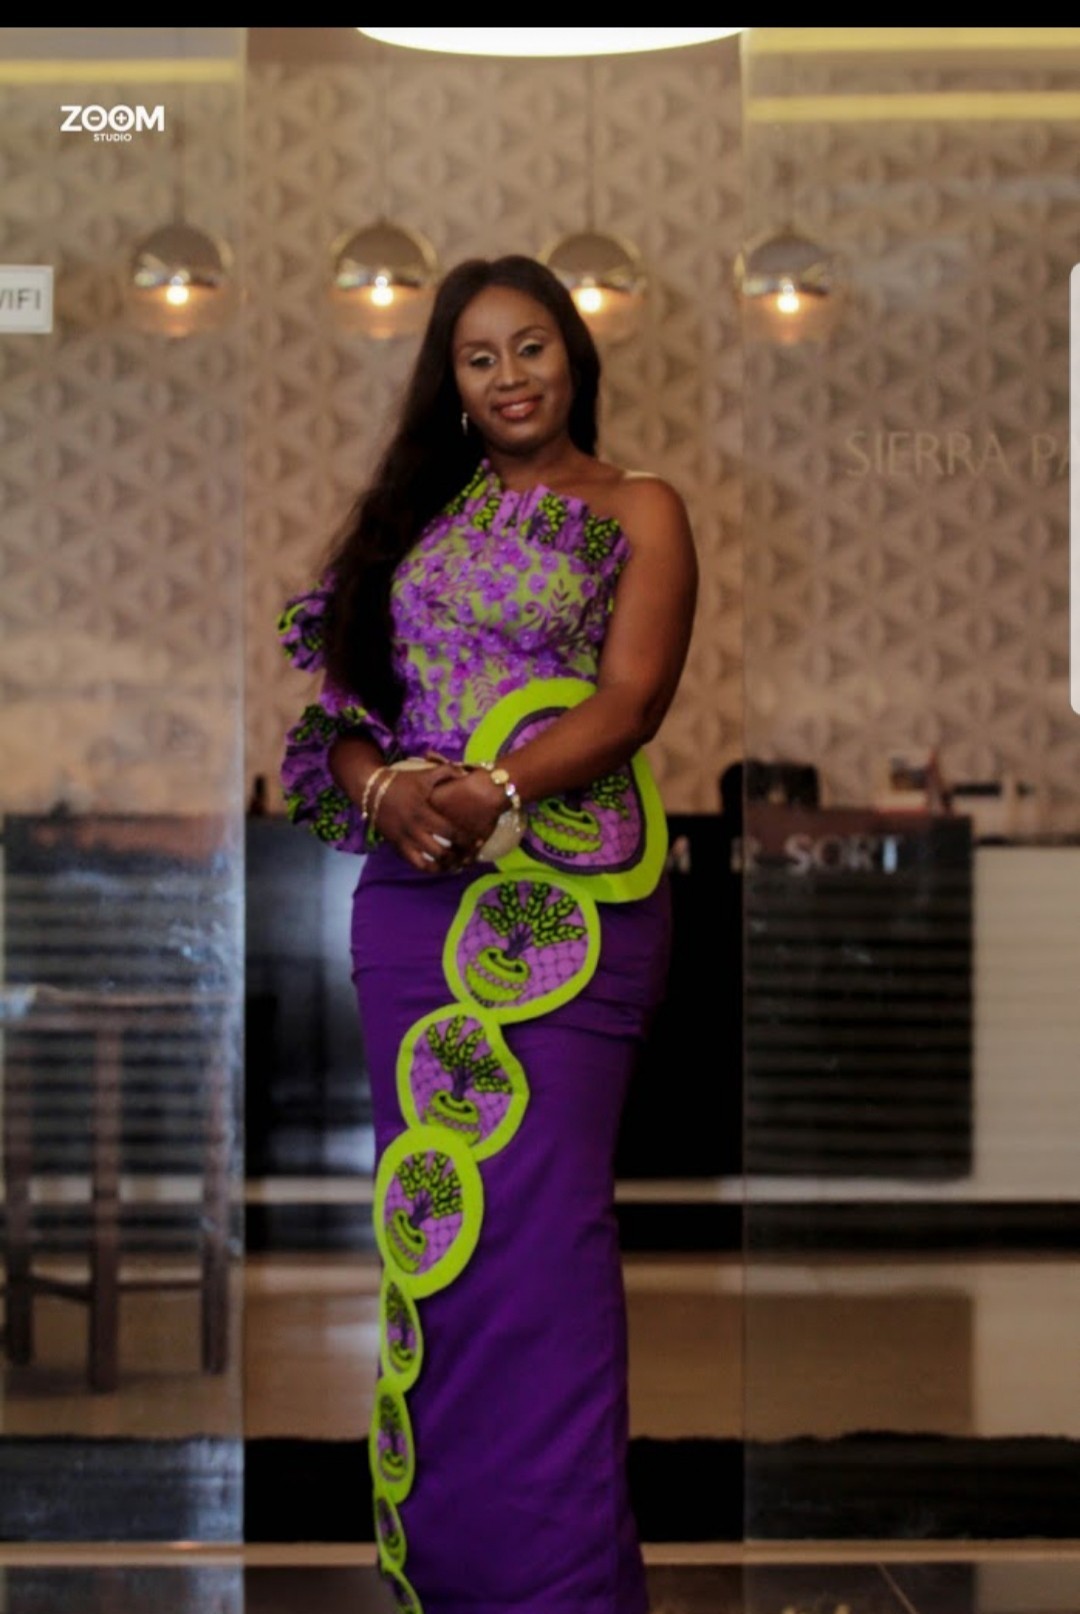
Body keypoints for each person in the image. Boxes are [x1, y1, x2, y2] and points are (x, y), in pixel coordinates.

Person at [278, 253, 698, 1614]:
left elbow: (631, 702)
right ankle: (452, 1574)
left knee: (543, 1237)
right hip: (412, 904)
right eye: (480, 356)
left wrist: (500, 789)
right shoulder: (408, 519)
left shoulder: (639, 507)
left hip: (569, 904)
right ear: (448, 382)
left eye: (532, 346)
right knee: (436, 1230)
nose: (510, 375)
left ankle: (562, 1586)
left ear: (575, 356)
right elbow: (337, 721)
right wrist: (387, 792)